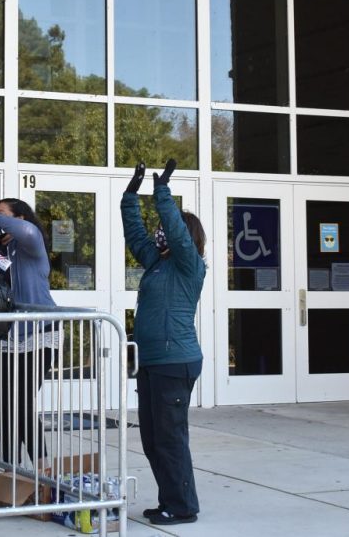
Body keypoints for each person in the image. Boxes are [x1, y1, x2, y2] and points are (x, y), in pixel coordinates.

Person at [120, 158, 206, 526]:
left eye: (164, 229)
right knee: (154, 440)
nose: (158, 232)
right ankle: (170, 499)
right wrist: (130, 195)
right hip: (152, 362)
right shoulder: (157, 262)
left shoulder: (189, 264)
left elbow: (175, 228)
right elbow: (135, 234)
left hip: (176, 361)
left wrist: (162, 193)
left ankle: (184, 507)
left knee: (170, 439)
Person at [0, 198, 57, 468]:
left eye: (3, 214)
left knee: (21, 401)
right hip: (3, 338)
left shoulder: (31, 245)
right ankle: (11, 470)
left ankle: (45, 474)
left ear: (19, 218)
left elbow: (30, 231)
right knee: (4, 404)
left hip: (37, 334)